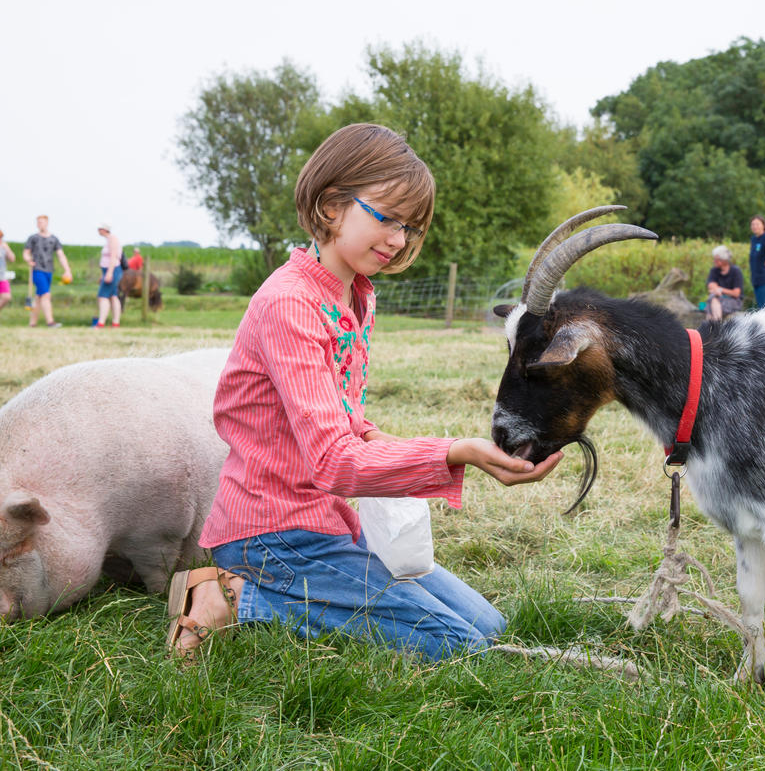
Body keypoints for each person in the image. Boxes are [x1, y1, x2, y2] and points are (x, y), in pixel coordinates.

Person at [166, 122, 562, 661]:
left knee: (489, 625)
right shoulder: (290, 304)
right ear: (331, 207)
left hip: (330, 522)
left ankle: (284, 593)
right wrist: (455, 452)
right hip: (274, 534)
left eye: (411, 226)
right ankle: (237, 596)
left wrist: (407, 444)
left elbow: (343, 421)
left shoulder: (357, 296)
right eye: (388, 218)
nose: (399, 239)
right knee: (457, 645)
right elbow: (332, 460)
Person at [23, 215, 73, 328]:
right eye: (38, 222)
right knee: (46, 295)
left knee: (39, 297)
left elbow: (61, 255)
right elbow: (26, 252)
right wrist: (28, 259)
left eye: (42, 222)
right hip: (37, 269)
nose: (40, 224)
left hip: (49, 270)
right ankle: (50, 322)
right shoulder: (33, 238)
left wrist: (67, 270)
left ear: (47, 223)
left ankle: (32, 323)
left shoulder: (54, 239)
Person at [704, 245, 744, 323]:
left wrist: (721, 290)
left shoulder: (735, 271)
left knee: (712, 300)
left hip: (734, 301)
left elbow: (736, 293)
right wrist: (717, 290)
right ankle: (715, 325)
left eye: (716, 259)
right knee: (713, 298)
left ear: (724, 260)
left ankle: (715, 325)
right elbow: (711, 285)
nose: (714, 261)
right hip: (718, 299)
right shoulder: (714, 270)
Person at [95, 223, 123, 328]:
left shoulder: (112, 239)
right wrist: (104, 274)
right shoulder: (108, 240)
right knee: (113, 296)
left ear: (104, 229)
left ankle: (101, 322)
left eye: (99, 228)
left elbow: (113, 256)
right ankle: (115, 323)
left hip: (113, 270)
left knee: (103, 296)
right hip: (109, 271)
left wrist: (109, 273)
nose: (98, 230)